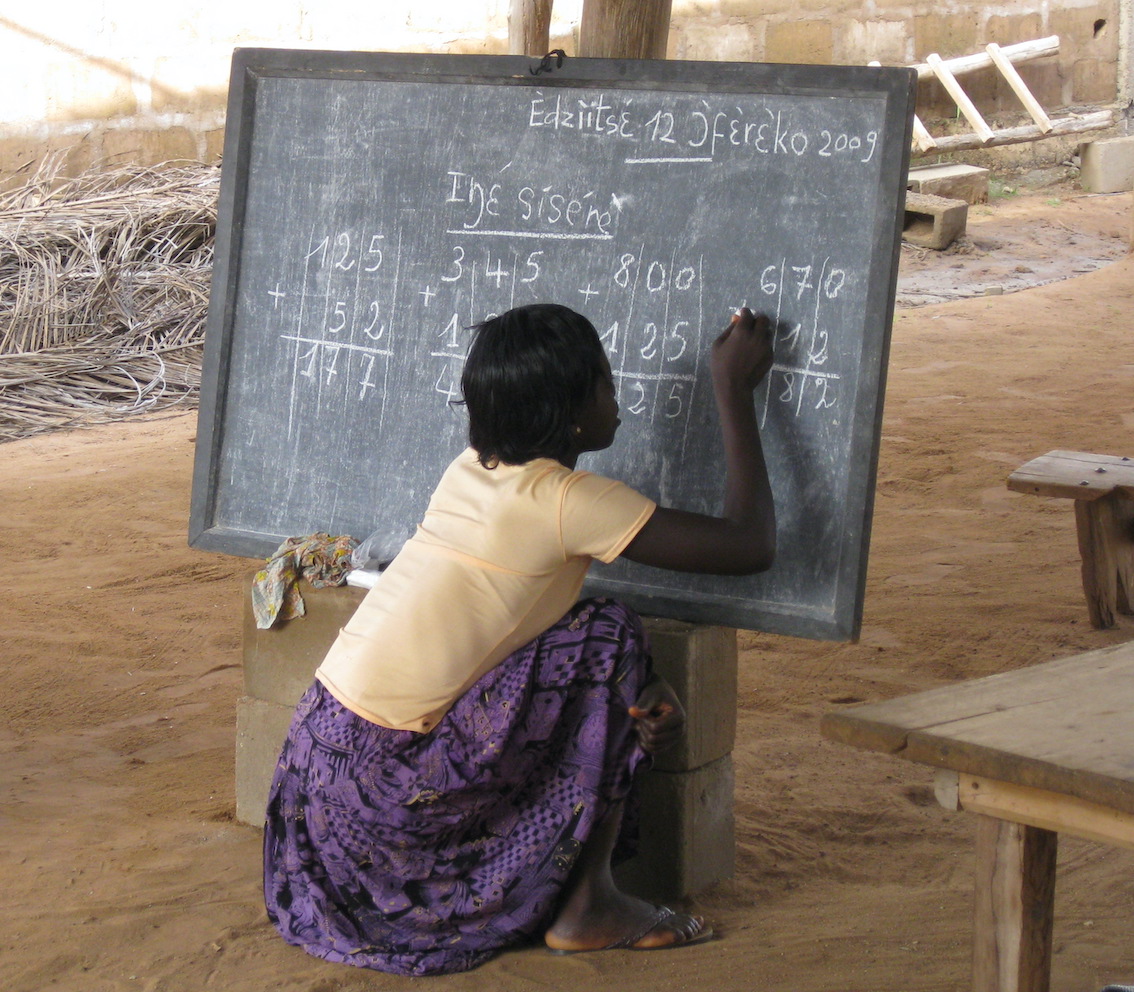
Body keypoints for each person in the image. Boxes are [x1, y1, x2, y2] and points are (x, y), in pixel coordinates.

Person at [263, 303, 777, 976]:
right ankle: (586, 907)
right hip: (389, 812)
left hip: (316, 795)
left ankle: (579, 883)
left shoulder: (467, 471)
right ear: (570, 414)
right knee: (606, 633)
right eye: (603, 381)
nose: (617, 395)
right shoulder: (567, 501)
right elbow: (750, 545)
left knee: (585, 634)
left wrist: (639, 690)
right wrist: (733, 389)